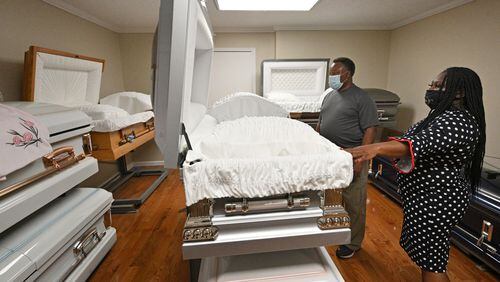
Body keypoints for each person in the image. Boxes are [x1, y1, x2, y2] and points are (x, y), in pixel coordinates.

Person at [346, 67, 486, 282]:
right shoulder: (443, 117)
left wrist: (372, 149)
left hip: (437, 200)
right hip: (425, 198)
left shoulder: (459, 121)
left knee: (432, 263)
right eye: (431, 84)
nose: (430, 89)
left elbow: (414, 145)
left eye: (437, 86)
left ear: (459, 92)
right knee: (427, 258)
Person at [317, 57, 379, 259]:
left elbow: (370, 128)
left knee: (354, 200)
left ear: (348, 74)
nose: (332, 77)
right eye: (330, 74)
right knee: (330, 198)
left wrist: (361, 158)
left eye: (335, 73)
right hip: (329, 155)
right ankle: (332, 230)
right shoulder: (329, 96)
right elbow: (322, 122)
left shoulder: (362, 98)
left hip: (351, 155)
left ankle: (353, 243)